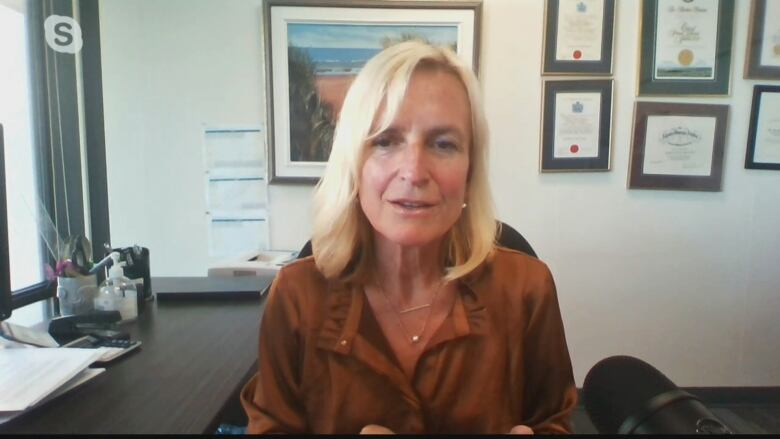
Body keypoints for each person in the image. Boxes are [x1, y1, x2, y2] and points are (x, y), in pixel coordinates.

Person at [240, 40, 577, 434]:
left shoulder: (527, 291)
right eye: (385, 141)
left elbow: (555, 422)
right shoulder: (296, 297)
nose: (414, 171)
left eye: (443, 144)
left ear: (469, 175)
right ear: (354, 165)